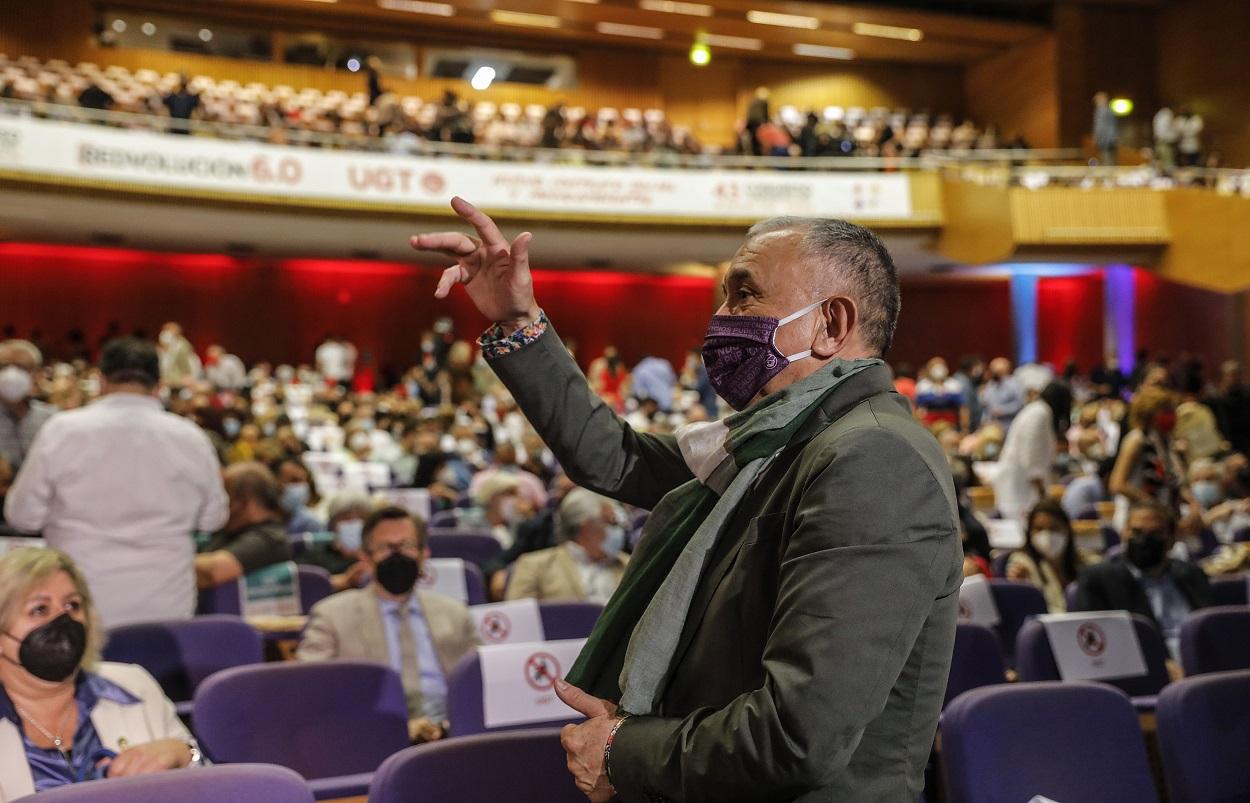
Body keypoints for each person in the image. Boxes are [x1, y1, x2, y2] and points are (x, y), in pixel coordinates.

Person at [413, 198, 961, 801]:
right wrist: (521, 323)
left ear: (830, 324)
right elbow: (613, 458)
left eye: (745, 295)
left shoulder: (872, 460)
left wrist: (623, 751)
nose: (723, 317)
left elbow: (798, 733)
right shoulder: (769, 444)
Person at [5, 338, 228, 628]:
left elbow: (22, 516)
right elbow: (213, 519)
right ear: (158, 386)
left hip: (79, 604)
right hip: (166, 606)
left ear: (100, 381)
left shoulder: (62, 431)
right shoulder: (191, 438)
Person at [0, 549, 201, 796]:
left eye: (73, 605)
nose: (63, 620)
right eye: (40, 609)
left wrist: (184, 755)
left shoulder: (132, 685)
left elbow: (215, 788)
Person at [297, 507, 479, 742]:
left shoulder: (456, 613)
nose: (397, 555)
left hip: (452, 735)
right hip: (369, 738)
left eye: (406, 546)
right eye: (385, 548)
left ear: (424, 554)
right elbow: (310, 695)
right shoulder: (330, 616)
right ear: (365, 559)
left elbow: (479, 684)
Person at [1072, 500, 1214, 656]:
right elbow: (1092, 646)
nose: (1144, 540)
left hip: (1202, 658)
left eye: (1155, 533)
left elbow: (1213, 629)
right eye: (1136, 532)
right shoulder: (1098, 581)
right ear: (1124, 534)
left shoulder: (1192, 574)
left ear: (1172, 538)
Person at [506, 489, 628, 604]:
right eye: (612, 523)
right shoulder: (534, 566)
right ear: (587, 527)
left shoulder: (630, 566)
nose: (619, 530)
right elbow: (520, 621)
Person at [194, 462, 291, 589]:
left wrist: (167, 560)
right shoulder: (226, 531)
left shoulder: (270, 539)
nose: (216, 504)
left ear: (244, 502)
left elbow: (212, 572)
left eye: (223, 496)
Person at [992, 379, 1070, 521]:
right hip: (1021, 484)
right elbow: (1030, 454)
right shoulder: (1039, 413)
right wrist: (1041, 492)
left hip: (1022, 479)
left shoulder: (1038, 410)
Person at [1108, 386, 1182, 532]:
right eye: (1165, 410)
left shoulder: (1164, 442)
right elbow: (1117, 484)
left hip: (1160, 520)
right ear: (1149, 412)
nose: (1171, 415)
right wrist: (1152, 504)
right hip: (1136, 521)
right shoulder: (1137, 439)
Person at [1006, 500, 1085, 612]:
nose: (1047, 535)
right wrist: (1021, 586)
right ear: (1030, 533)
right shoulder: (1022, 564)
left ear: (1067, 529)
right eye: (1039, 529)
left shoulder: (1085, 562)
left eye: (1054, 528)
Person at [298, 490, 371, 592]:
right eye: (346, 518)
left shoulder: (377, 556)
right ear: (332, 523)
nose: (354, 522)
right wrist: (344, 580)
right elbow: (299, 586)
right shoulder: (315, 556)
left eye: (361, 518)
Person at [0, 340, 56, 472]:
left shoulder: (51, 419)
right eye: (3, 367)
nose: (11, 374)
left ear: (38, 374)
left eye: (21, 367)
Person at [980, 357, 1025, 429]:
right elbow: (986, 406)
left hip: (1010, 425)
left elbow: (1020, 404)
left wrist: (1003, 410)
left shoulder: (1015, 384)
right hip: (992, 425)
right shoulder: (991, 384)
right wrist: (984, 420)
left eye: (998, 371)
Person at [156, 323, 201, 387]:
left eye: (170, 333)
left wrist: (172, 381)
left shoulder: (183, 349)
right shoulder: (159, 350)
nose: (165, 335)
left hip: (177, 387)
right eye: (164, 331)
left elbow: (189, 377)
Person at [1093, 91, 1119, 166]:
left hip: (1107, 141)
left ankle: (1109, 176)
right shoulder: (1099, 111)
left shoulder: (1107, 111)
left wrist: (1108, 139)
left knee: (1108, 161)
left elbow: (1108, 127)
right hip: (1103, 141)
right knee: (1103, 160)